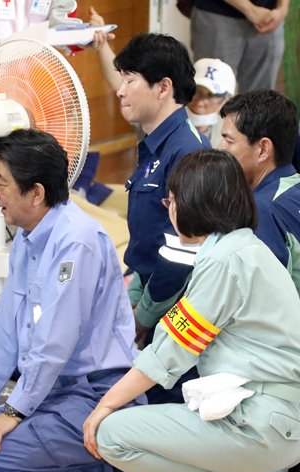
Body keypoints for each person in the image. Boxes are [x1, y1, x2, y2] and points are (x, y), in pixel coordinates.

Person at [84, 149, 300, 472]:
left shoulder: (225, 261)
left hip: (262, 422)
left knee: (111, 434)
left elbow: (167, 354)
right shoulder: (240, 249)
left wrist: (105, 405)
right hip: (272, 419)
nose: (170, 208)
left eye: (173, 199)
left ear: (197, 202)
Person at [0, 129, 145, 472]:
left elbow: (55, 339)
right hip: (52, 395)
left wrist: (13, 412)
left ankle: (103, 463)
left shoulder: (77, 240)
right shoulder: (27, 234)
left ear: (36, 193)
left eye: (1, 182)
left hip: (98, 396)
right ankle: (93, 462)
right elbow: (6, 329)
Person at [111, 34, 211, 405]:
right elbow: (146, 242)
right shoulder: (154, 145)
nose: (121, 91)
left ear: (163, 88)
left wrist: (143, 315)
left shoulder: (186, 151)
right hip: (149, 297)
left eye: (130, 79)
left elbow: (186, 252)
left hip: (173, 314)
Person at [90, 10, 235, 149]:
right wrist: (102, 44)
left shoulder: (233, 134)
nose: (200, 102)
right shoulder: (165, 111)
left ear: (227, 100)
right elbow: (122, 82)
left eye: (210, 95)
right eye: (197, 92)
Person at [219, 89, 300, 278]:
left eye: (228, 140)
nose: (220, 148)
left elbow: (263, 298)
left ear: (263, 149)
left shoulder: (259, 210)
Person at [189, 0, 288, 95]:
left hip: (269, 16)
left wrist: (283, 9)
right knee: (210, 91)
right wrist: (250, 10)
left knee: (261, 98)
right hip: (217, 13)